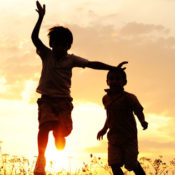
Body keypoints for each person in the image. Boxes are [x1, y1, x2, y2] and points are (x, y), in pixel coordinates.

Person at [31, 1, 127, 175]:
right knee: (44, 126)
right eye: (56, 44)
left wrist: (112, 68)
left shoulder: (71, 59)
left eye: (63, 45)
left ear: (68, 46)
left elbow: (91, 64)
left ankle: (59, 134)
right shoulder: (47, 54)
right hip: (46, 100)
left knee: (61, 139)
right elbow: (35, 39)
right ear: (52, 44)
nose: (59, 48)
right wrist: (40, 18)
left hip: (64, 103)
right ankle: (41, 158)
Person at [97, 67, 148, 175]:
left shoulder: (129, 97)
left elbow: (138, 111)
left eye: (117, 79)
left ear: (124, 82)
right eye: (111, 79)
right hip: (114, 137)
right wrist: (104, 129)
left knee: (131, 164)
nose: (114, 81)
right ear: (107, 82)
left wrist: (142, 121)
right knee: (114, 164)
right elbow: (109, 116)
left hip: (129, 137)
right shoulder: (105, 98)